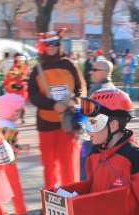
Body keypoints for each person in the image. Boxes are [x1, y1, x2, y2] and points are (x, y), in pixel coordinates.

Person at [28, 29, 86, 188]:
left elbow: (81, 87)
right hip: (46, 123)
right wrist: (52, 104)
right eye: (47, 43)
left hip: (68, 122)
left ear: (59, 44)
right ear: (43, 46)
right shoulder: (38, 69)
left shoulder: (69, 65)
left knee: (69, 161)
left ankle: (72, 196)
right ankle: (51, 197)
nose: (51, 46)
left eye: (54, 43)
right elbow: (32, 94)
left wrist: (75, 101)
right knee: (49, 165)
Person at [0, 94, 30, 215]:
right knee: (14, 185)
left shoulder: (0, 123)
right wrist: (22, 147)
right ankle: (20, 210)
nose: (19, 113)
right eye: (17, 110)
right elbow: (9, 147)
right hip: (8, 161)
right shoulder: (8, 127)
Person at [80, 60, 116, 181]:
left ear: (106, 72)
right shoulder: (114, 88)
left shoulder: (97, 89)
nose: (91, 72)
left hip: (94, 136)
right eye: (92, 69)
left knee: (85, 171)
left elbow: (87, 115)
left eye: (95, 70)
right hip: (109, 138)